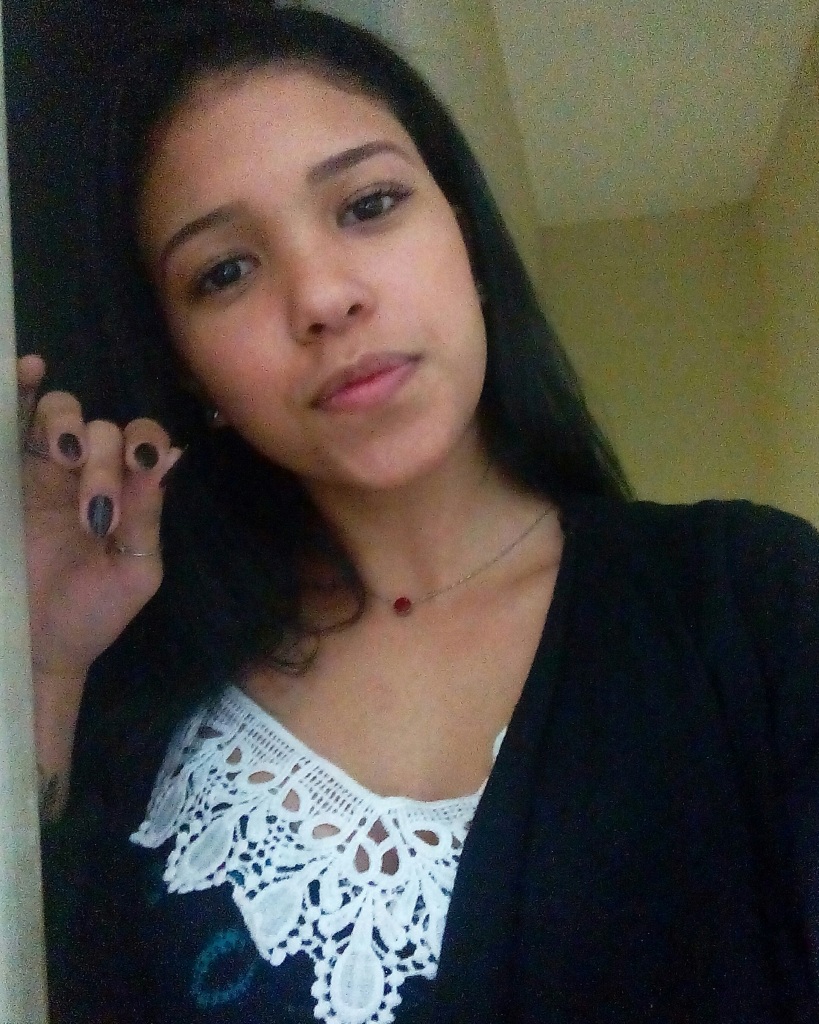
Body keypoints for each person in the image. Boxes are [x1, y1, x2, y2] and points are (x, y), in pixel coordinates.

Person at [18, 4, 819, 1023]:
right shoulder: (147, 699)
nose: (322, 297)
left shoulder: (747, 600)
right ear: (188, 369)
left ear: (468, 240)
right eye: (225, 270)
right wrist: (44, 669)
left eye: (369, 203)